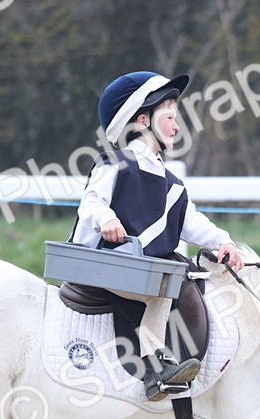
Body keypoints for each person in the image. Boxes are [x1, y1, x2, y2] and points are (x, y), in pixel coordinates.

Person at [71, 71, 244, 401]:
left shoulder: (171, 183)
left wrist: (223, 241)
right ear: (142, 120)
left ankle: (157, 367)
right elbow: (90, 201)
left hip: (136, 267)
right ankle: (154, 369)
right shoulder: (115, 163)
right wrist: (106, 218)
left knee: (165, 286)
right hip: (102, 259)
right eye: (169, 117)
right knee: (160, 292)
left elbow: (189, 222)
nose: (177, 126)